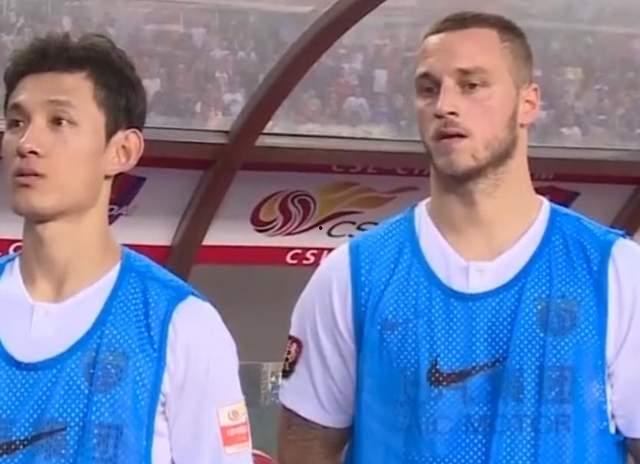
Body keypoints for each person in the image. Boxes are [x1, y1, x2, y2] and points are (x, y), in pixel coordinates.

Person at [276, 11, 640, 464]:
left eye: (472, 85)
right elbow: (305, 446)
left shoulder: (616, 272)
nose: (445, 105)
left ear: (528, 103)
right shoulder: (352, 275)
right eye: (428, 88)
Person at [0, 33, 252, 463]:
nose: (27, 143)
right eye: (16, 123)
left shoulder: (181, 325)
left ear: (122, 151)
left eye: (59, 121)